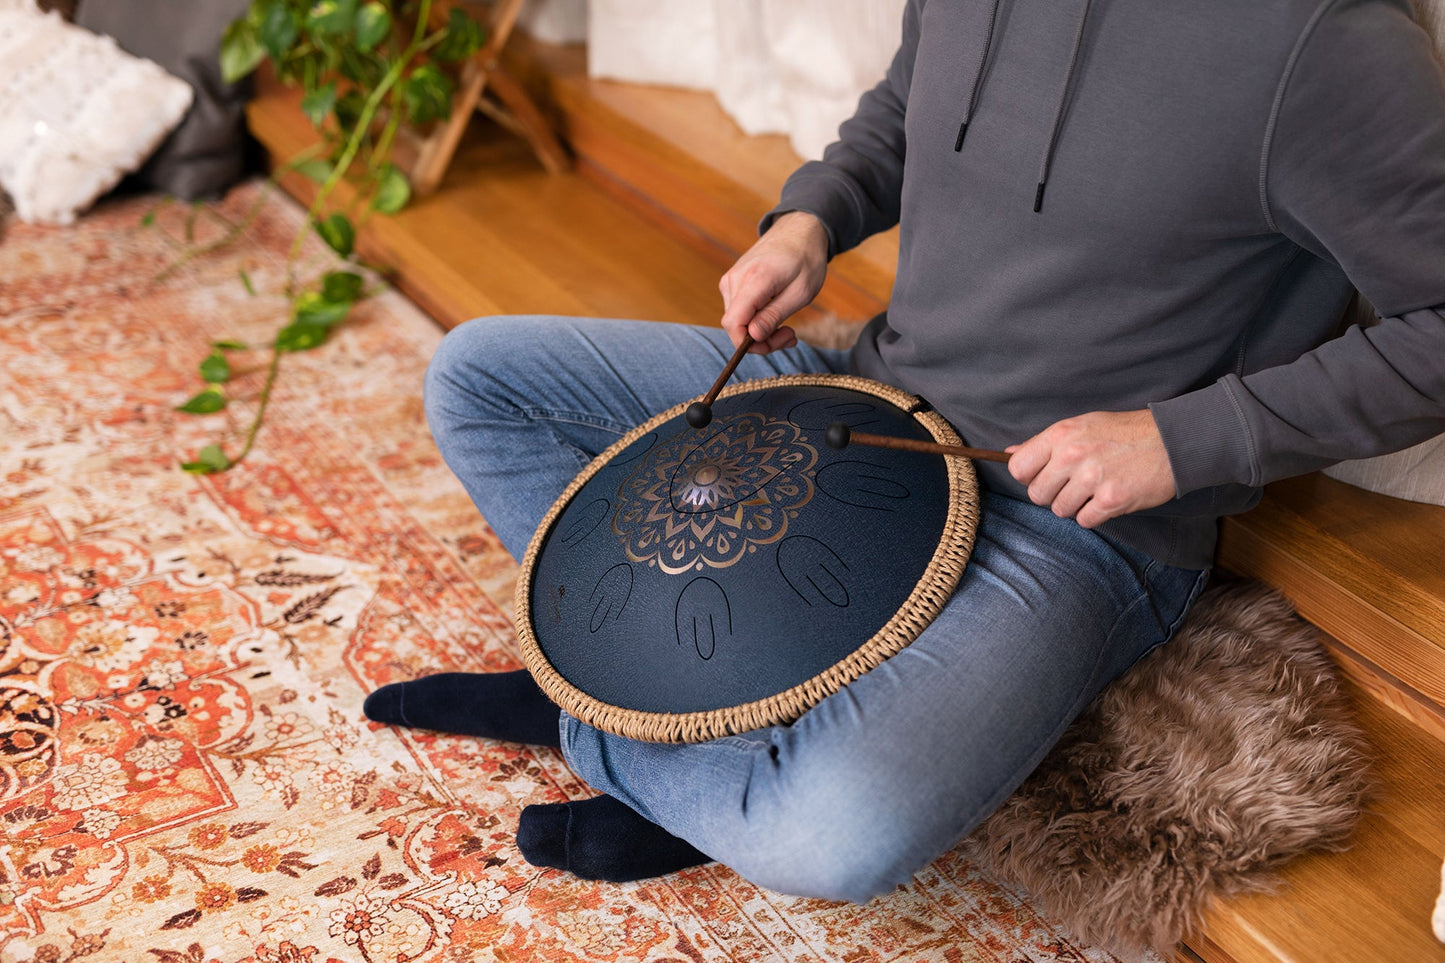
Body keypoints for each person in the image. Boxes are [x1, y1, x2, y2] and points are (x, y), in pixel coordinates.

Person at [364, 0, 1445, 902]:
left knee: (826, 838)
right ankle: (651, 688)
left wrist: (1181, 441)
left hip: (1067, 519)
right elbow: (902, 109)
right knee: (479, 376)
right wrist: (811, 220)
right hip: (863, 402)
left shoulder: (1327, 43)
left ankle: (597, 711)